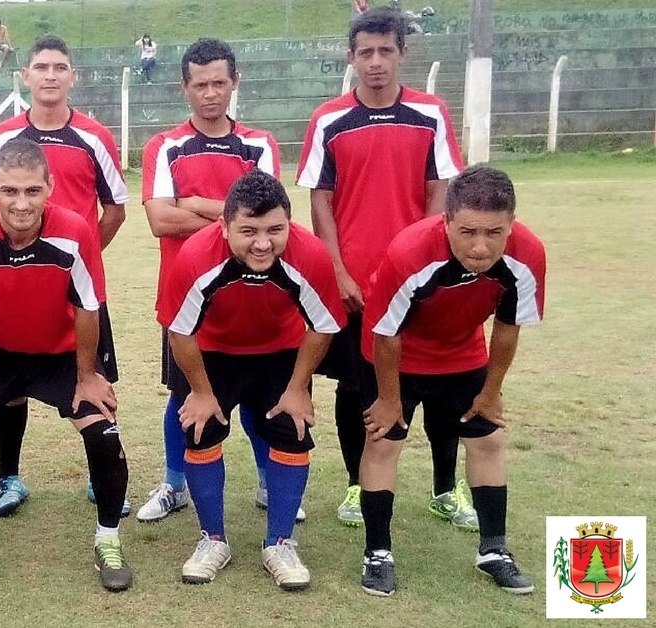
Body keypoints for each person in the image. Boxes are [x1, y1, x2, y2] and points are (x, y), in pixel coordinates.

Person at [0, 137, 132, 596]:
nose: (22, 203)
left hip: (59, 355)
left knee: (103, 433)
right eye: (10, 191)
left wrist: (86, 376)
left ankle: (108, 540)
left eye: (32, 191)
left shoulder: (75, 230)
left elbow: (87, 307)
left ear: (50, 188)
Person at [296, 6, 468, 528]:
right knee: (355, 387)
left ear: (402, 54)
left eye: (385, 51)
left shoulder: (431, 113)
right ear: (351, 58)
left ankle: (444, 487)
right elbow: (320, 201)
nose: (375, 62)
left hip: (422, 281)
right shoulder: (329, 118)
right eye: (365, 52)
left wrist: (429, 263)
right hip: (355, 284)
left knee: (442, 385)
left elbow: (441, 189)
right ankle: (355, 484)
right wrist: (340, 271)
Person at [357, 165, 545, 597]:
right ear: (446, 221)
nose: (480, 247)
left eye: (494, 233)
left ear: (511, 224)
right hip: (395, 355)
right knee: (383, 442)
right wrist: (388, 399)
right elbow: (385, 333)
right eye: (467, 232)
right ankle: (378, 553)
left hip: (462, 351)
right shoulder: (410, 252)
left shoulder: (527, 254)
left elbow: (508, 325)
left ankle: (494, 549)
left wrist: (491, 392)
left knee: (488, 441)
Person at [159, 170, 344, 589]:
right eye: (249, 231)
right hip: (212, 352)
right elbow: (180, 332)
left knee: (291, 430)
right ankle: (213, 539)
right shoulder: (195, 257)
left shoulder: (309, 254)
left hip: (280, 352)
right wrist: (203, 393)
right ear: (224, 227)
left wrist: (298, 388)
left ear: (289, 225)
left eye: (275, 230)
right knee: (201, 430)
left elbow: (324, 325)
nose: (263, 243)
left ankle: (280, 542)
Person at [138, 38, 291, 524]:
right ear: (185, 87)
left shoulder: (259, 144)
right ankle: (174, 483)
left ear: (234, 83)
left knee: (260, 394)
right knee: (185, 396)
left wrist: (195, 204)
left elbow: (267, 220)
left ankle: (270, 482)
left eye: (219, 83)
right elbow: (161, 220)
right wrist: (233, 218)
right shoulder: (164, 146)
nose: (210, 93)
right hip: (186, 300)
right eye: (200, 84)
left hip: (256, 296)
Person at [0, 35, 129, 518]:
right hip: (13, 288)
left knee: (93, 381)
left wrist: (73, 262)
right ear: (26, 75)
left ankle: (97, 478)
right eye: (41, 66)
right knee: (11, 383)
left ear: (72, 76)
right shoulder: (3, 138)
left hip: (77, 294)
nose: (50, 75)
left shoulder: (94, 136)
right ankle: (9, 477)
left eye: (60, 67)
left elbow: (115, 209)